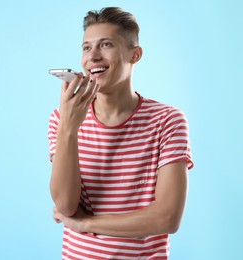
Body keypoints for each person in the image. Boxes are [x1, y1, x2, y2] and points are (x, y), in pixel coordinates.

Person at [47, 7, 194, 260]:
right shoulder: (61, 119)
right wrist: (68, 129)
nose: (92, 57)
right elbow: (66, 206)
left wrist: (86, 224)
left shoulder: (167, 120)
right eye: (86, 48)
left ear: (134, 54)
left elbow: (167, 218)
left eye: (105, 45)